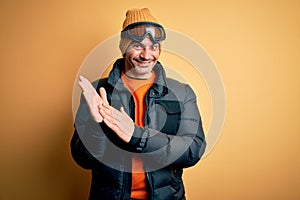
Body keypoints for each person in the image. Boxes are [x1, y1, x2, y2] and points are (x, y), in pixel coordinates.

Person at [71, 8, 206, 200]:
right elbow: (82, 159)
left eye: (154, 47)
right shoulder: (96, 93)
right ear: (123, 47)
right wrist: (97, 125)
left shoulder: (182, 93)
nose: (146, 55)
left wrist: (137, 136)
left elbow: (194, 150)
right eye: (137, 45)